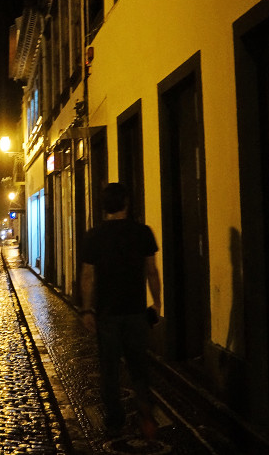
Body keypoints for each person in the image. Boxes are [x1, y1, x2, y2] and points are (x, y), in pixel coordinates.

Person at [79, 182, 162, 439]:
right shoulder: (143, 233)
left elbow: (87, 276)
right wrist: (157, 303)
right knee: (139, 365)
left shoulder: (94, 236)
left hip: (107, 314)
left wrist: (87, 310)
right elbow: (151, 271)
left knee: (109, 368)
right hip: (136, 312)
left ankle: (115, 419)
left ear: (104, 207)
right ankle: (145, 411)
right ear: (127, 202)